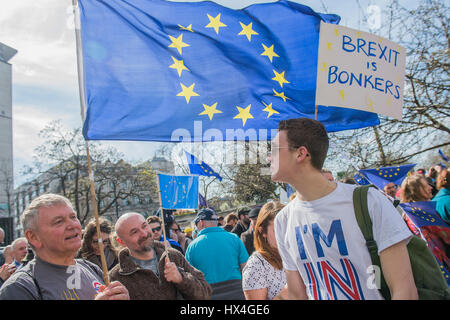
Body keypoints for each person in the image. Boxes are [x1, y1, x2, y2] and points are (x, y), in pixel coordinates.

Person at [268, 118, 417, 300]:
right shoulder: (283, 220)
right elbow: (297, 294)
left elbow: (404, 289)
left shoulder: (368, 201)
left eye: (274, 150)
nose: (269, 157)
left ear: (301, 154)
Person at [0, 193, 129, 300]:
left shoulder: (91, 268)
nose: (72, 225)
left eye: (73, 217)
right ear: (33, 237)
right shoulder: (20, 288)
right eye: (59, 221)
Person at [109, 212, 211, 300]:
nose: (144, 234)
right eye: (134, 232)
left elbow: (205, 294)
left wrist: (181, 279)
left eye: (144, 226)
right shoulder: (116, 277)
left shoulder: (173, 256)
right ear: (121, 241)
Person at [185, 208, 249, 300]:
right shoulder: (234, 238)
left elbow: (190, 278)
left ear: (201, 223)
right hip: (237, 292)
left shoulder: (192, 247)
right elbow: (246, 268)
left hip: (209, 294)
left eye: (196, 224)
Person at [242, 201, 288, 300]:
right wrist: (287, 293)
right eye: (278, 230)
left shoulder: (297, 254)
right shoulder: (256, 265)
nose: (285, 234)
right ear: (262, 231)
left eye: (288, 228)